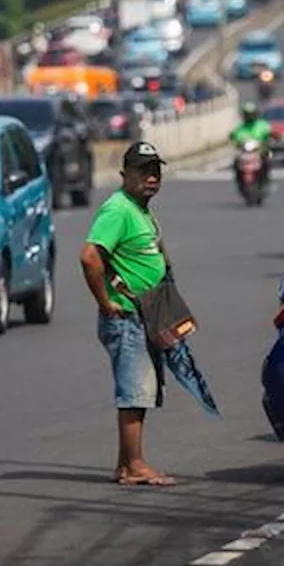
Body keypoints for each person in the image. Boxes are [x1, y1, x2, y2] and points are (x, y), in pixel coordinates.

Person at [79, 142, 177, 487]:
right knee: (135, 392)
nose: (151, 178)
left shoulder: (139, 209)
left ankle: (126, 465)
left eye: (156, 171)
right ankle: (135, 465)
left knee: (140, 392)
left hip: (144, 314)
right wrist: (106, 303)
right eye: (143, 171)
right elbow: (90, 256)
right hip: (127, 316)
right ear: (125, 175)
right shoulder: (118, 210)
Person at [229, 102, 272, 187]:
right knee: (236, 161)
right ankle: (239, 180)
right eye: (248, 114)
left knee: (267, 158)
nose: (249, 116)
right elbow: (234, 136)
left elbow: (269, 132)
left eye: (251, 114)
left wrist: (268, 139)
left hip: (259, 150)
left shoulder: (261, 125)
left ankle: (265, 177)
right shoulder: (241, 128)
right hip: (246, 151)